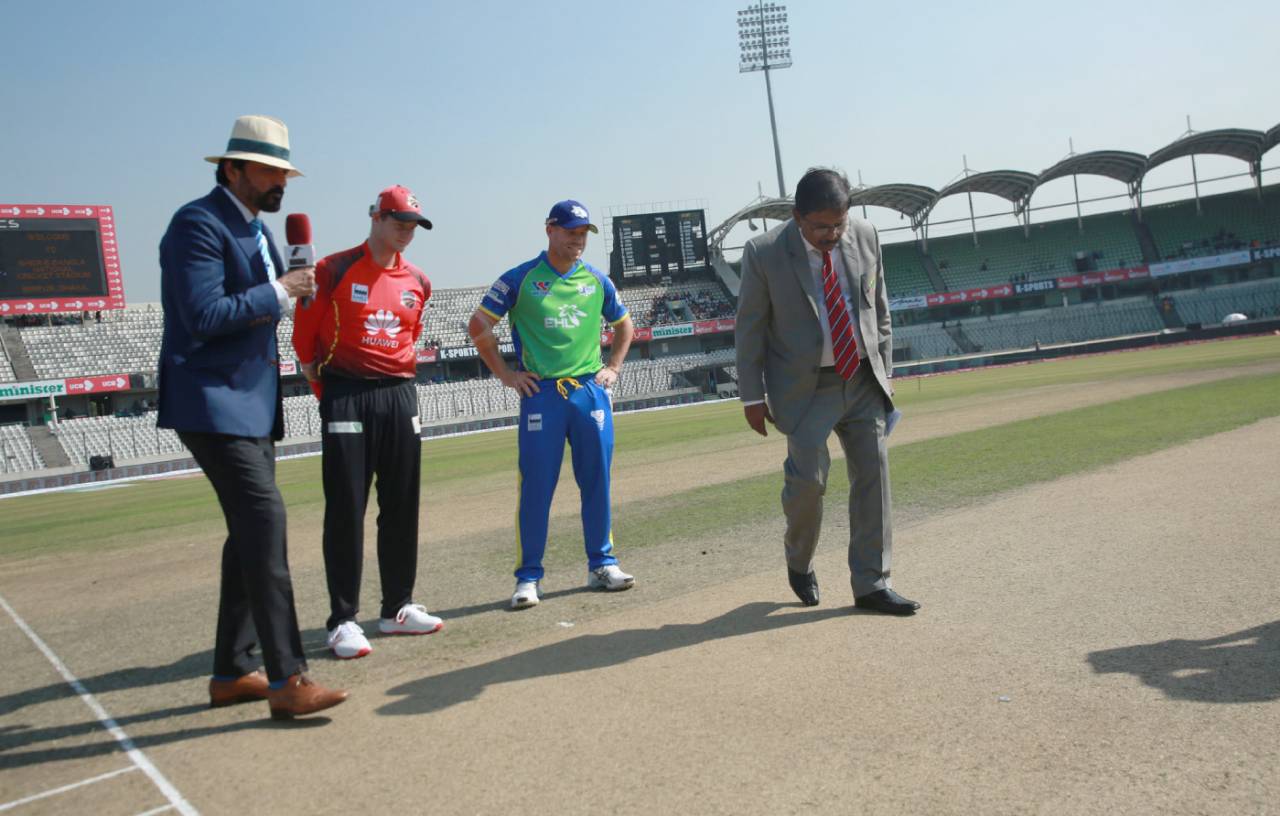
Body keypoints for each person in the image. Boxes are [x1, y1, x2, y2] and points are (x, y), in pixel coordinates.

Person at [157, 114, 347, 718]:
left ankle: (231, 671)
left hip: (251, 404)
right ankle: (288, 678)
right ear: (231, 168)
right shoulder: (197, 224)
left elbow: (260, 311)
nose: (279, 182)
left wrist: (290, 295)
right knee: (265, 525)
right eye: (267, 170)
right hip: (210, 402)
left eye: (283, 171)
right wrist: (281, 292)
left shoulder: (261, 234)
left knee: (248, 534)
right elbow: (203, 316)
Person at [734, 167, 920, 616]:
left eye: (838, 224)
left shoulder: (866, 236)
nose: (831, 234)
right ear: (797, 217)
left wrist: (885, 374)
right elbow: (750, 328)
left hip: (862, 379)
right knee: (807, 485)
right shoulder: (764, 252)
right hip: (804, 388)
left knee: (873, 479)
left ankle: (872, 583)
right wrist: (751, 397)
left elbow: (881, 310)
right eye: (820, 226)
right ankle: (799, 560)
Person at [292, 185, 443, 659]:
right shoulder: (333, 269)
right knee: (346, 510)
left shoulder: (419, 280)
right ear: (375, 217)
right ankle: (342, 621)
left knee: (401, 505)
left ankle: (397, 608)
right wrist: (327, 390)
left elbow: (409, 335)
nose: (405, 231)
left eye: (413, 225)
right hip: (347, 394)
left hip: (400, 394)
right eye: (397, 220)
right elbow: (305, 338)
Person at [467, 200, 635, 609]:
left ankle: (602, 564)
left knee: (597, 481)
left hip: (589, 392)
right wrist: (507, 375)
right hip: (541, 394)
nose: (578, 239)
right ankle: (528, 579)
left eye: (583, 233)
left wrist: (613, 366)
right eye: (571, 231)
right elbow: (479, 324)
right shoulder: (520, 278)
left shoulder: (596, 281)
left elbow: (624, 324)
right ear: (550, 230)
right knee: (537, 488)